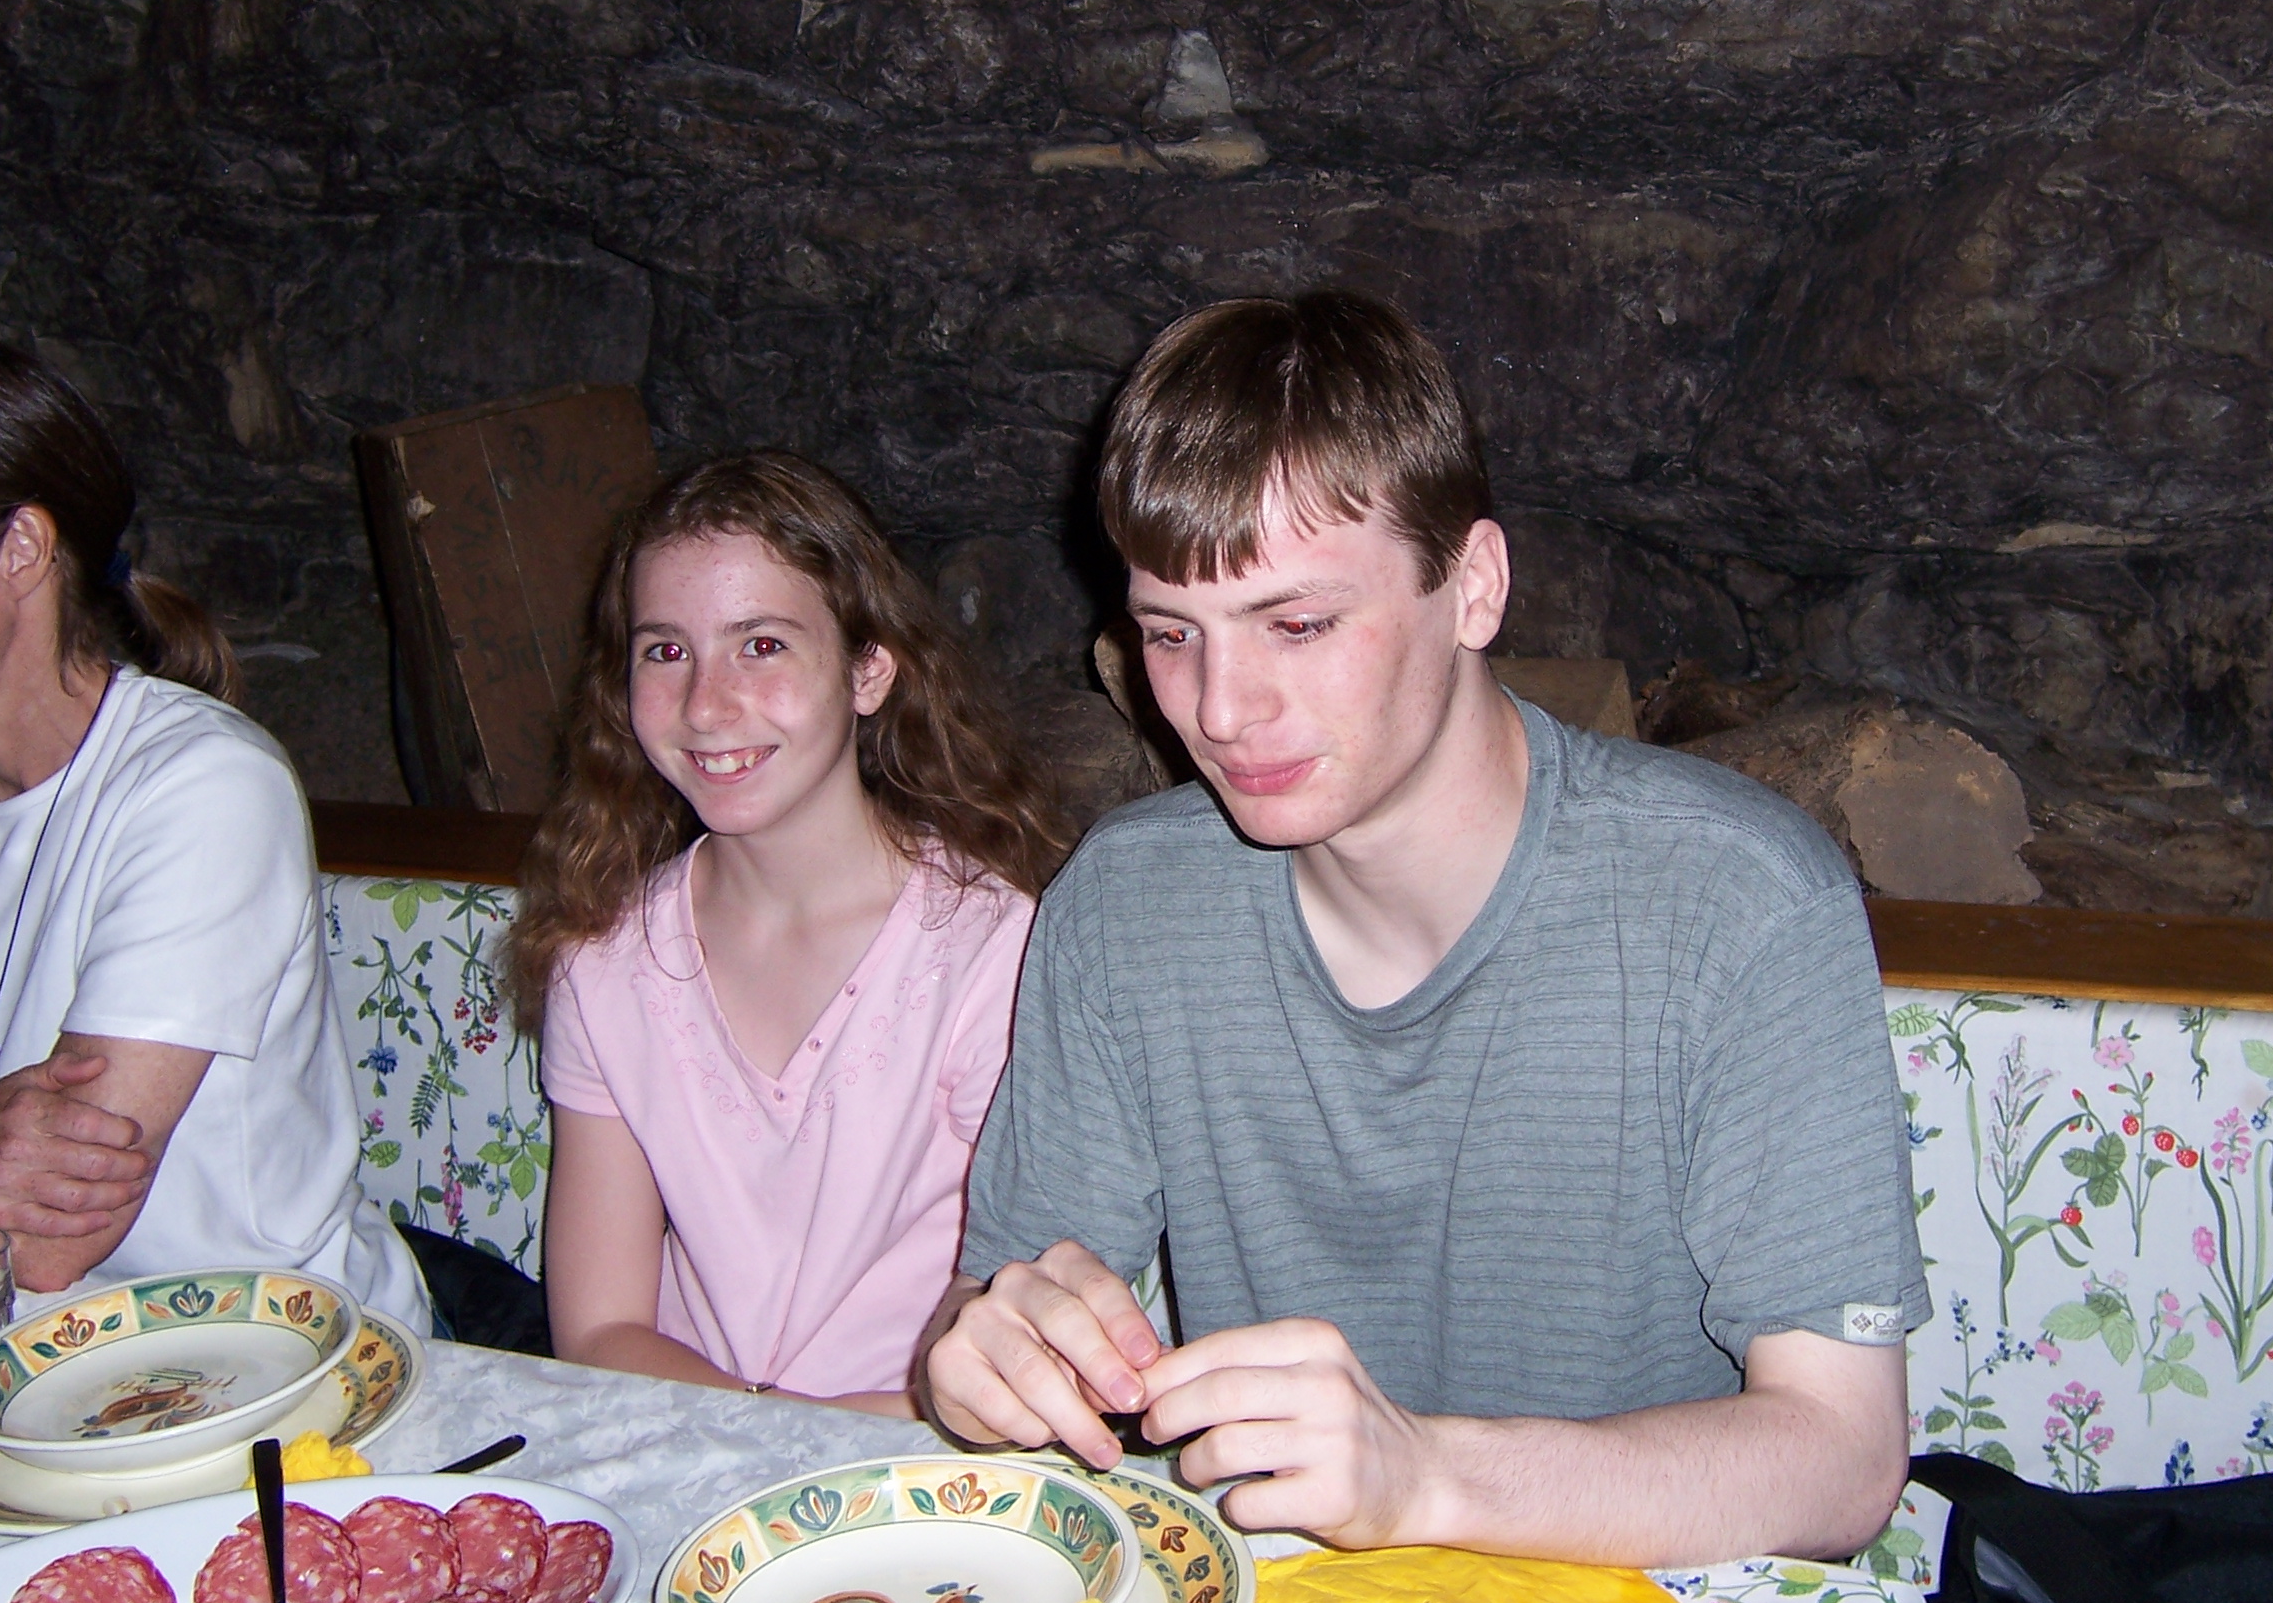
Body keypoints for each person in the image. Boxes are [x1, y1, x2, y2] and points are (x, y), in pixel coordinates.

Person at [921, 291, 1928, 1568]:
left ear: (1473, 588)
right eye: (1170, 634)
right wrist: (982, 1353)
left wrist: (1422, 1477)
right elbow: (998, 1301)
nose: (1219, 710)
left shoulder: (1736, 902)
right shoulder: (1122, 907)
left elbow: (1841, 1459)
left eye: (1296, 624)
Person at [504, 450, 1068, 1415]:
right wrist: (753, 1440)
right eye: (665, 652)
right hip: (680, 1438)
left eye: (761, 645)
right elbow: (598, 1331)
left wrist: (782, 1450)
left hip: (919, 1462)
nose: (706, 705)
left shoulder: (994, 953)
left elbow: (1017, 1358)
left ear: (868, 669)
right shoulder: (602, 959)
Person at [0, 338, 428, 1326]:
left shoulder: (206, 789)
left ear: (21, 549)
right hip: (6, 1349)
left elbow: (48, 1243)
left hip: (263, 1349)